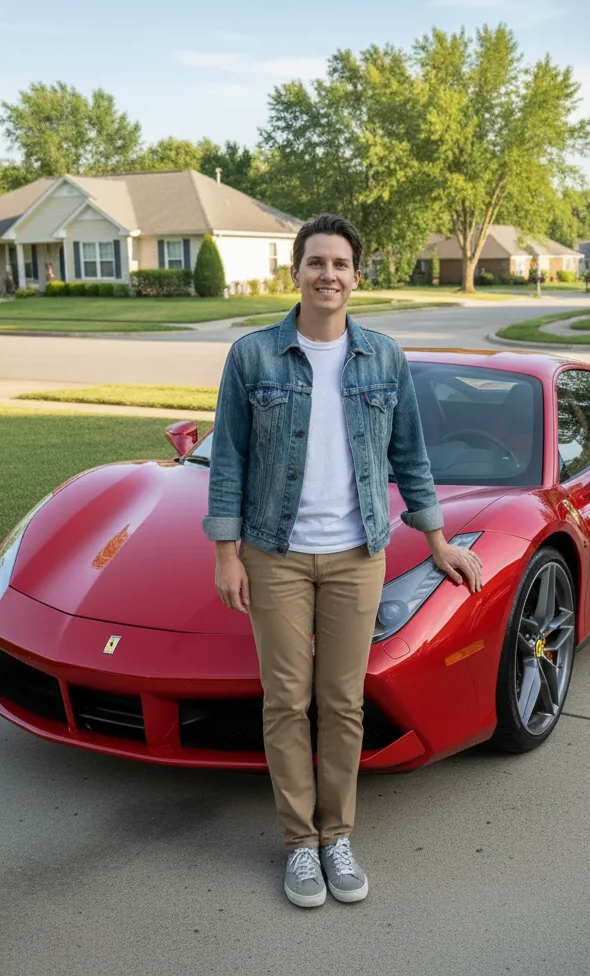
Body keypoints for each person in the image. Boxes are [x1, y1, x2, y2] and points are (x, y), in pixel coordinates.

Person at [202, 214, 482, 908]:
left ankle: (338, 836)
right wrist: (226, 552)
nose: (328, 274)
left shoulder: (383, 358)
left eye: (340, 264)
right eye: (315, 262)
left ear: (358, 276)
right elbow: (230, 459)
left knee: (342, 702)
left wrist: (438, 539)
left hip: (359, 555)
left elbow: (410, 455)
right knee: (286, 702)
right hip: (276, 556)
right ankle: (300, 845)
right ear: (294, 272)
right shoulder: (254, 356)